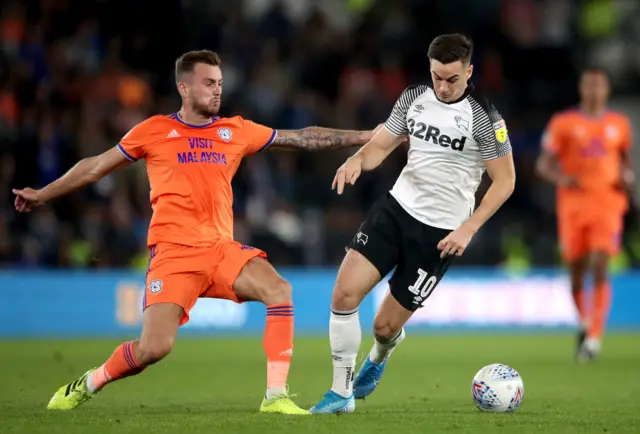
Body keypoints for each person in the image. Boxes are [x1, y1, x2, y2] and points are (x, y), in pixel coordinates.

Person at [13, 50, 376, 415]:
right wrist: (44, 194)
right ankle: (91, 381)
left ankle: (275, 396)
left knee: (279, 290)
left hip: (221, 250)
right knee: (152, 349)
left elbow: (304, 138)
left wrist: (368, 136)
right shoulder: (154, 130)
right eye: (208, 83)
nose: (217, 91)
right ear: (183, 87)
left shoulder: (234, 130)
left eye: (219, 83)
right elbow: (95, 167)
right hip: (174, 254)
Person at [309, 34, 516, 414]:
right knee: (343, 294)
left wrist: (468, 228)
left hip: (441, 234)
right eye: (437, 76)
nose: (442, 86)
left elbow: (505, 181)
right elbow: (383, 144)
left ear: (469, 72)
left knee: (384, 328)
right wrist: (357, 159)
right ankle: (341, 393)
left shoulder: (486, 119)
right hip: (396, 209)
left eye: (452, 79)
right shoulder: (413, 98)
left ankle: (378, 357)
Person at [536, 68, 634, 362]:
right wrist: (562, 178)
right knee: (577, 270)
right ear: (581, 89)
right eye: (589, 85)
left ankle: (593, 338)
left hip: (607, 204)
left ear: (606, 90)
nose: (593, 90)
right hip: (573, 206)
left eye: (599, 85)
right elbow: (543, 164)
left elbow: (624, 162)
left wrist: (627, 178)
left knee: (601, 262)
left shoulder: (619, 124)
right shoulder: (563, 123)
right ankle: (584, 320)